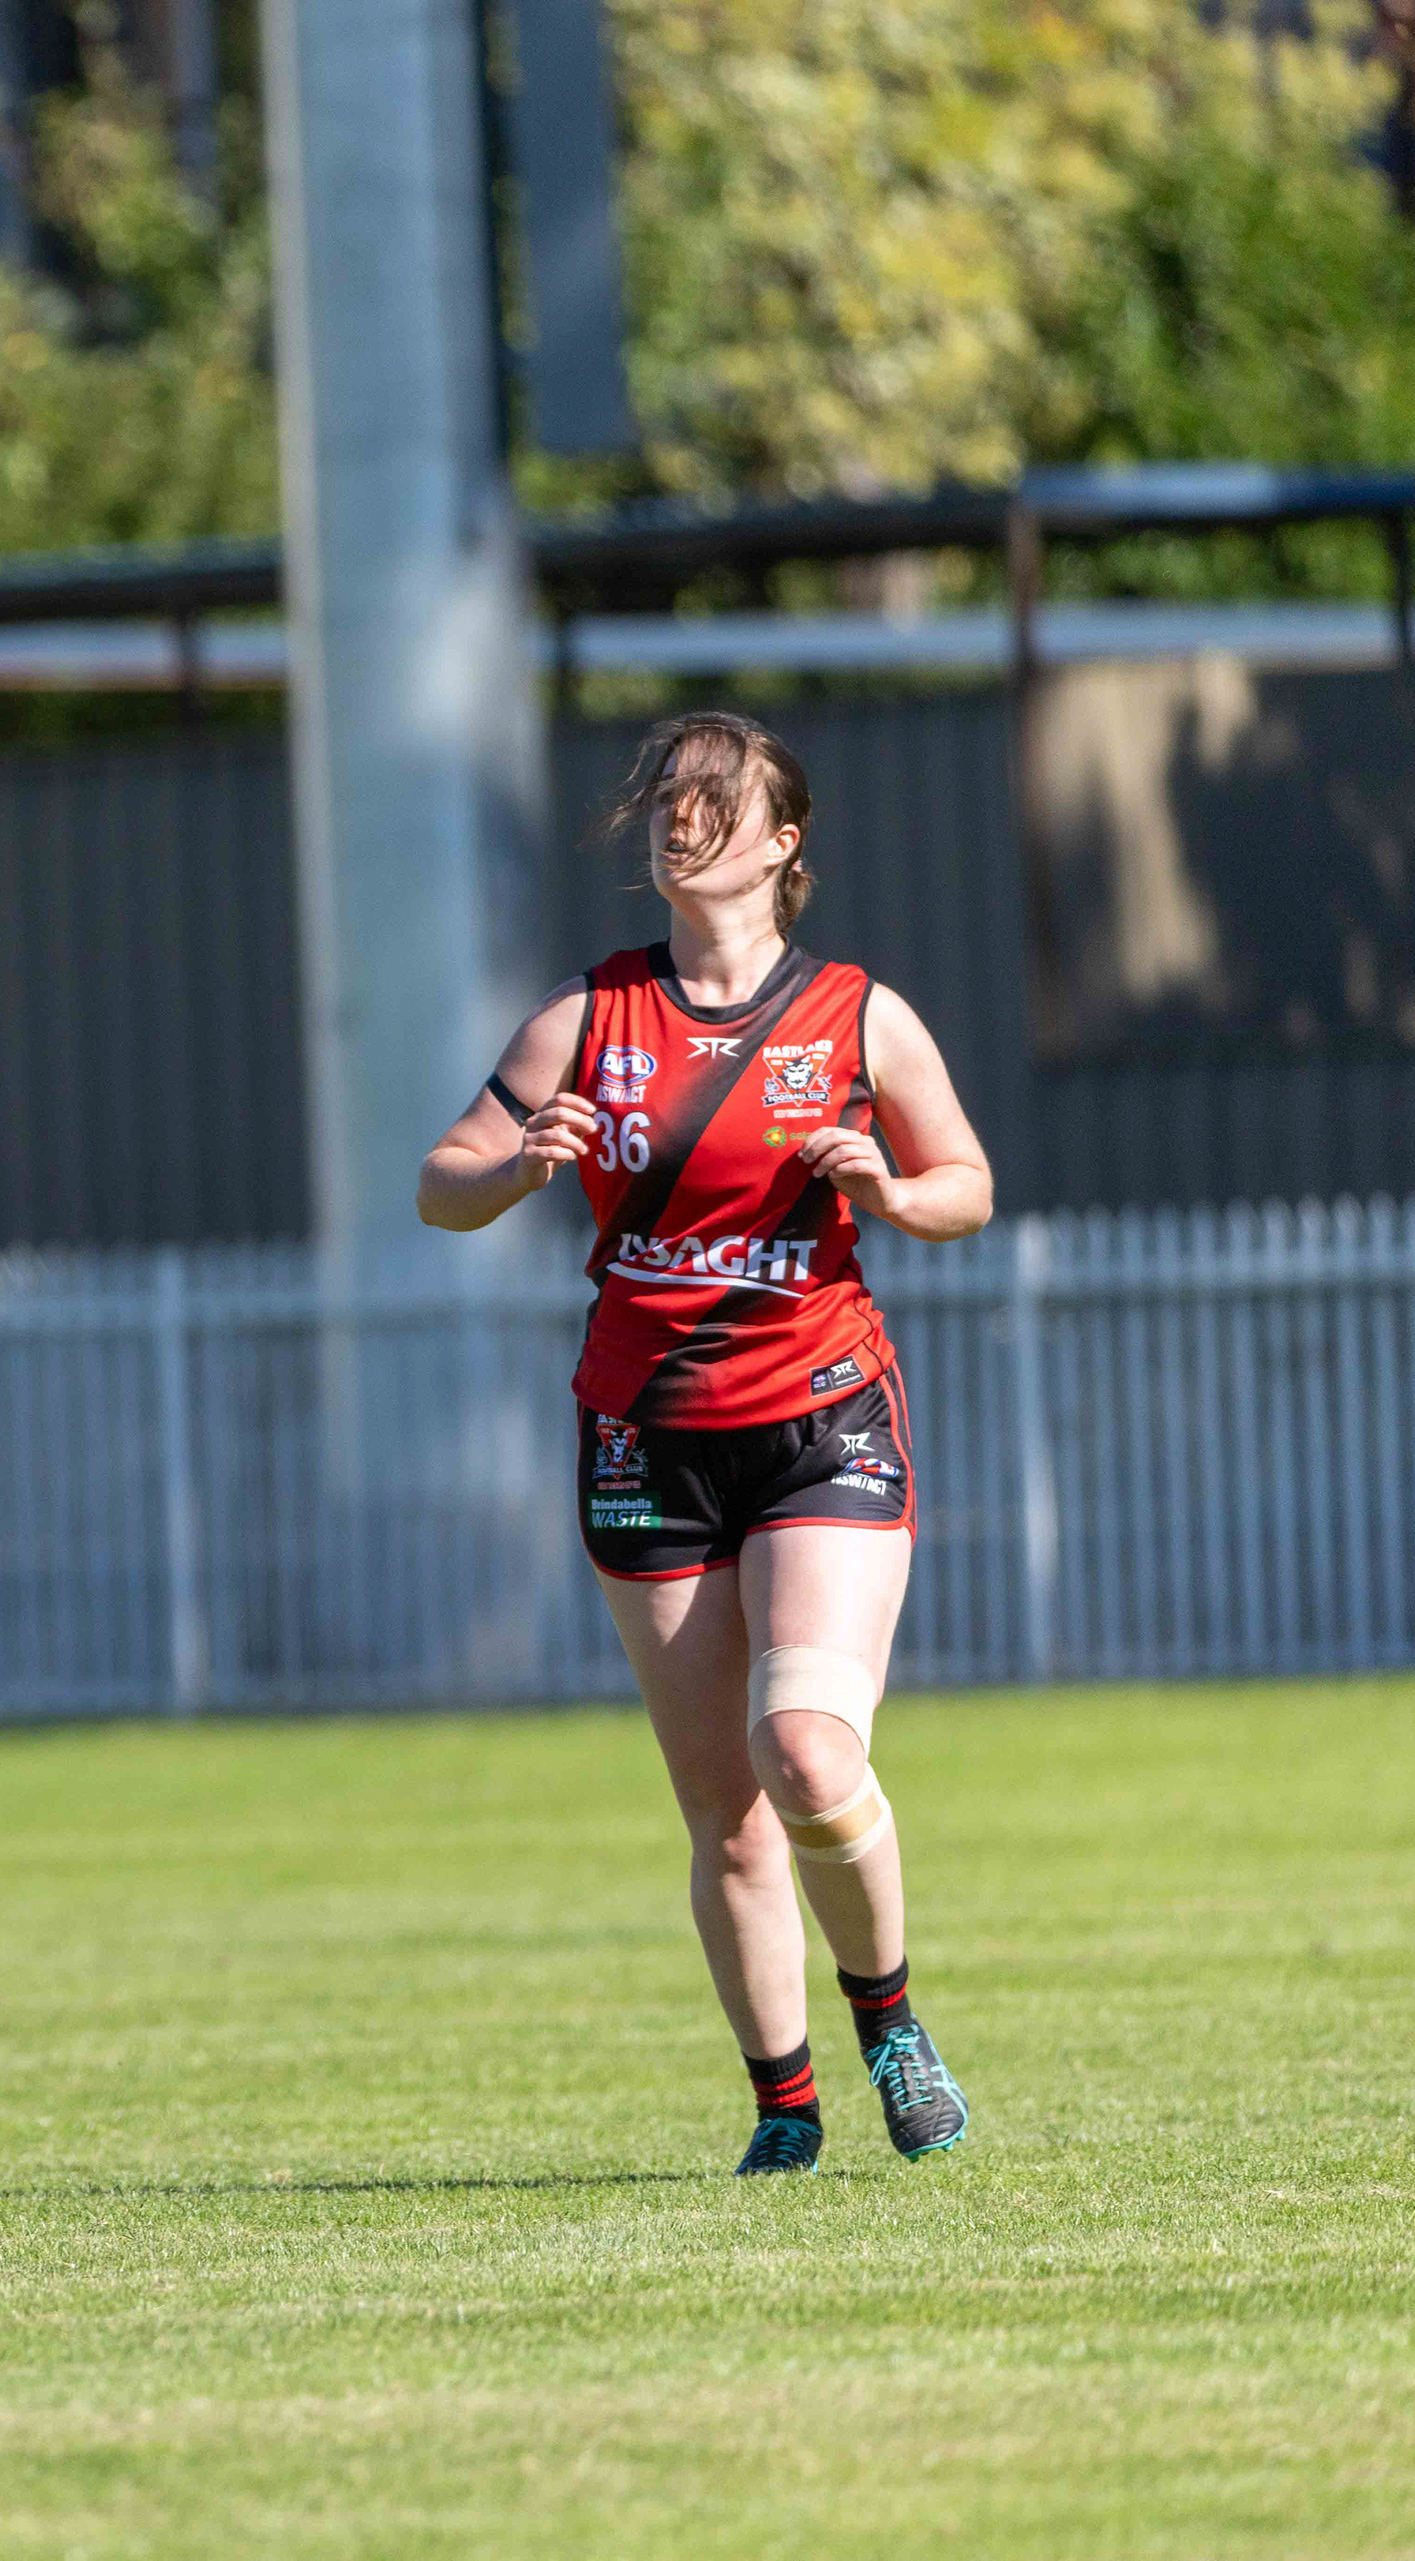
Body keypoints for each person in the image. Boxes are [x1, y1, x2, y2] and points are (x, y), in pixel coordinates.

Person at [416, 712, 992, 2176]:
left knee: (803, 1746)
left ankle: (890, 2022)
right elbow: (440, 1180)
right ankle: (785, 2109)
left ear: (783, 842)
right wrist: (514, 1167)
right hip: (646, 1439)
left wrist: (894, 1190)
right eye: (667, 796)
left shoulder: (857, 1014)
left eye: (715, 799)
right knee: (726, 1817)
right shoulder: (588, 1014)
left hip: (821, 1418)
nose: (681, 818)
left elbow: (967, 1182)